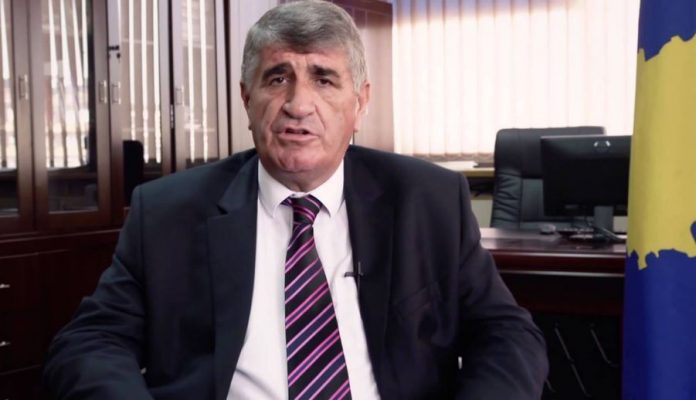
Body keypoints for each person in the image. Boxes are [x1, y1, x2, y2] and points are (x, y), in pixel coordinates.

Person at [43, 1, 548, 399]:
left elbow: (508, 335)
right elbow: (89, 343)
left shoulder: (428, 200)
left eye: (324, 79)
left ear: (360, 103)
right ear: (247, 99)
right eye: (277, 77)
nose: (298, 104)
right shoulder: (167, 213)